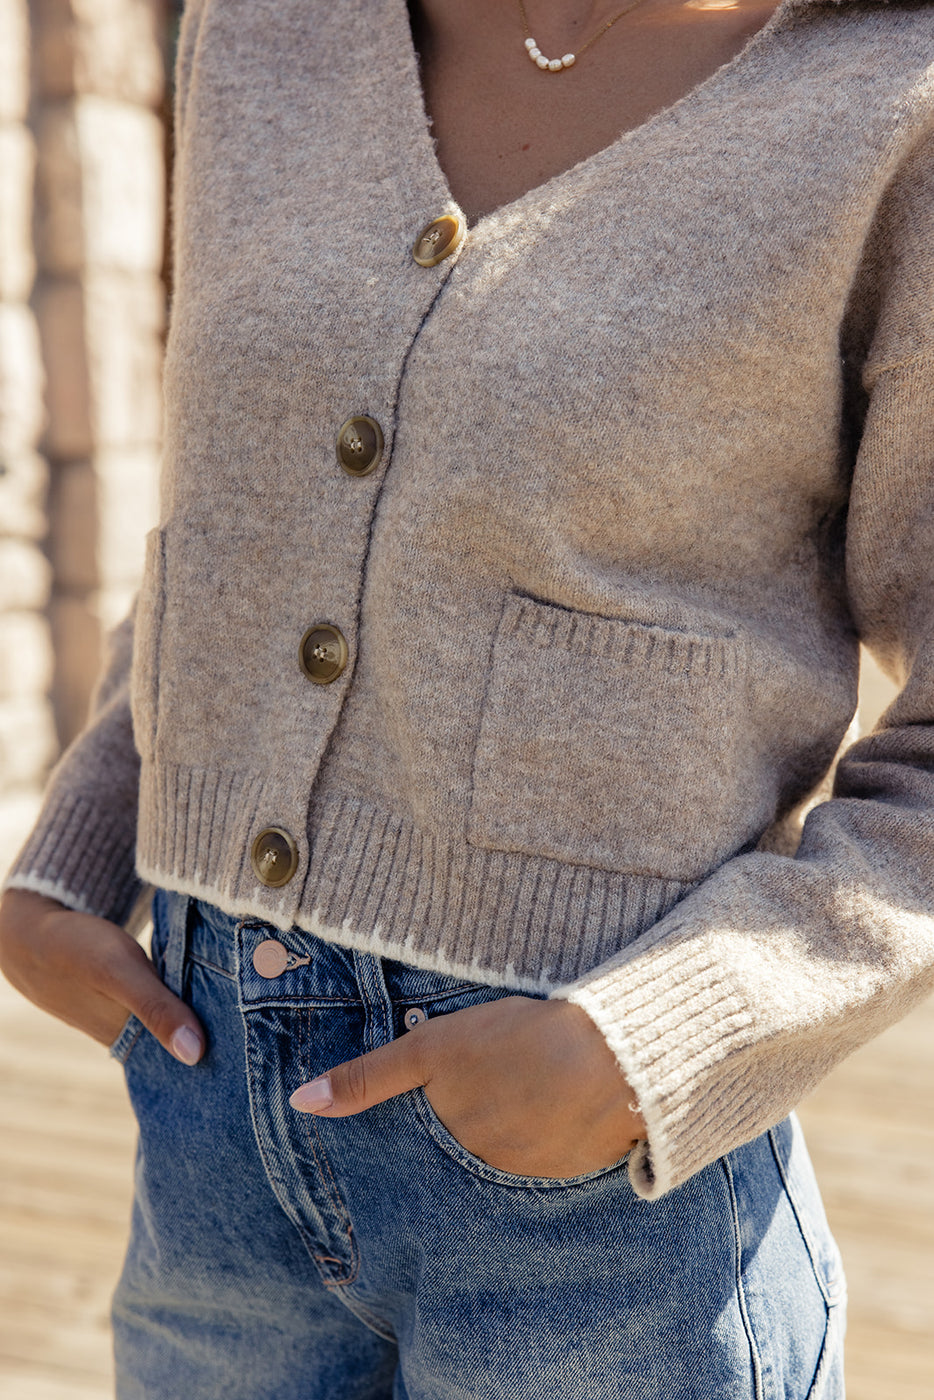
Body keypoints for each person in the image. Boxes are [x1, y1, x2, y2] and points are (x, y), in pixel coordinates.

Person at [2, 0, 934, 1394]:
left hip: (596, 1171)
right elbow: (259, 530)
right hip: (207, 1120)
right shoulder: (272, 30)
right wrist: (69, 863)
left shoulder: (891, 99)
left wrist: (652, 1043)